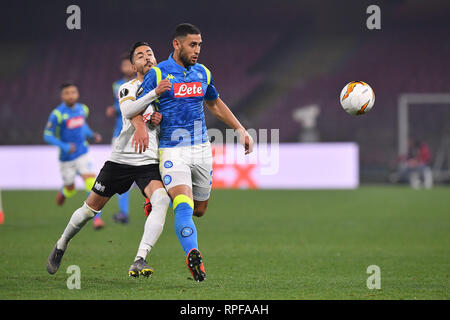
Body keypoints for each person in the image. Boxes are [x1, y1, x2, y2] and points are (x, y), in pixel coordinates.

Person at [46, 42, 173, 278]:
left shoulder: (165, 90)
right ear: (133, 65)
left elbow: (165, 122)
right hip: (120, 161)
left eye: (150, 53)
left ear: (155, 60)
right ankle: (62, 243)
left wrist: (159, 119)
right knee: (89, 210)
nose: (146, 57)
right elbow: (128, 111)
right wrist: (148, 110)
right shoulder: (128, 87)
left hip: (148, 163)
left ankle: (140, 258)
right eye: (140, 55)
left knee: (162, 199)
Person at [139, 23, 254, 282]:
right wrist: (148, 119)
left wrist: (240, 129)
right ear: (176, 44)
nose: (198, 50)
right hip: (171, 150)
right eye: (193, 44)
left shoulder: (202, 73)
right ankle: (193, 254)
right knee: (183, 204)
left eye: (200, 44)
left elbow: (213, 102)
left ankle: (178, 220)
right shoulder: (157, 75)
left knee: (199, 209)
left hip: (202, 148)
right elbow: (137, 106)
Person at [43, 83, 104, 230]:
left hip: (83, 152)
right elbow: (47, 135)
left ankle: (97, 219)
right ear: (62, 96)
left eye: (73, 92)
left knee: (91, 183)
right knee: (71, 189)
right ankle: (65, 191)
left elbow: (83, 126)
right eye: (67, 93)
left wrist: (92, 135)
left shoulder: (83, 109)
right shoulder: (57, 114)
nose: (71, 95)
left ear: (77, 94)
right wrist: (64, 146)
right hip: (66, 158)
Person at [106, 54, 136, 224]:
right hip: (120, 133)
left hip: (140, 133)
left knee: (147, 172)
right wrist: (113, 108)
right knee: (121, 174)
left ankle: (168, 203)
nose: (126, 67)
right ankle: (123, 212)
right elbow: (120, 105)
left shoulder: (144, 83)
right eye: (124, 64)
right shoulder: (117, 85)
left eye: (129, 64)